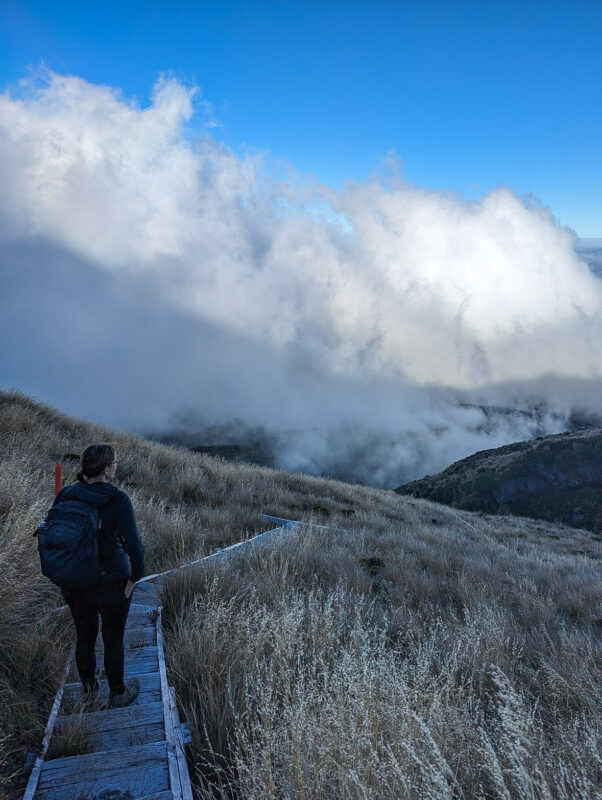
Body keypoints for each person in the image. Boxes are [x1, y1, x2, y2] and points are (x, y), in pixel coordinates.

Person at [54, 443, 145, 709]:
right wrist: (135, 577)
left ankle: (89, 688)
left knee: (85, 634)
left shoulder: (67, 494)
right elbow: (135, 546)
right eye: (115, 462)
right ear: (107, 470)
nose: (117, 466)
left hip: (74, 580)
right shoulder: (118, 500)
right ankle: (117, 692)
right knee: (113, 636)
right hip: (112, 582)